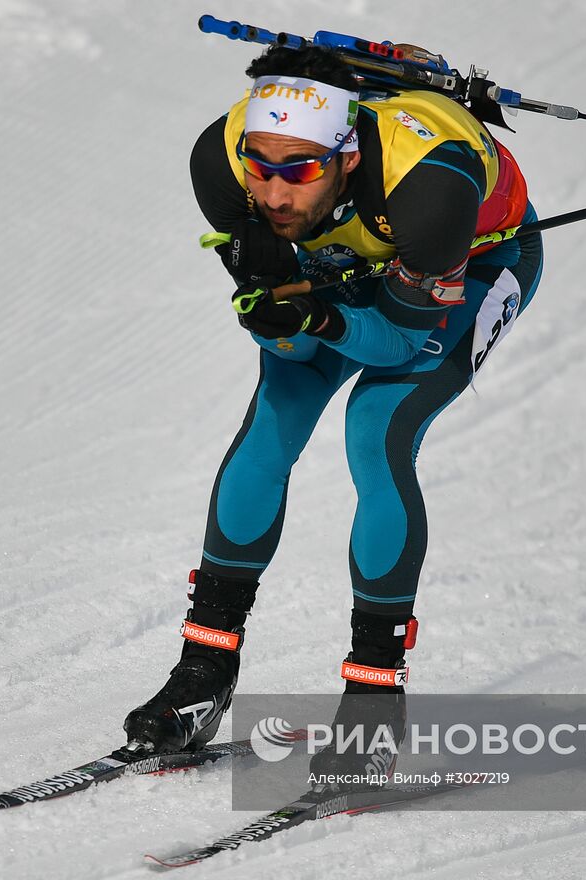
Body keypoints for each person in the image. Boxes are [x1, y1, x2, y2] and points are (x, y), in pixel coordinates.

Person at [124, 44, 544, 768]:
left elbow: (390, 346)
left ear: (347, 159)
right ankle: (204, 673)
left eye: (300, 171)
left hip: (473, 262)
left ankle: (375, 700)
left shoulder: (430, 189)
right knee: (273, 420)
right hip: (348, 258)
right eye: (263, 166)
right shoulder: (221, 164)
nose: (275, 194)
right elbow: (289, 345)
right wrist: (277, 317)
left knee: (374, 430)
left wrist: (317, 320)